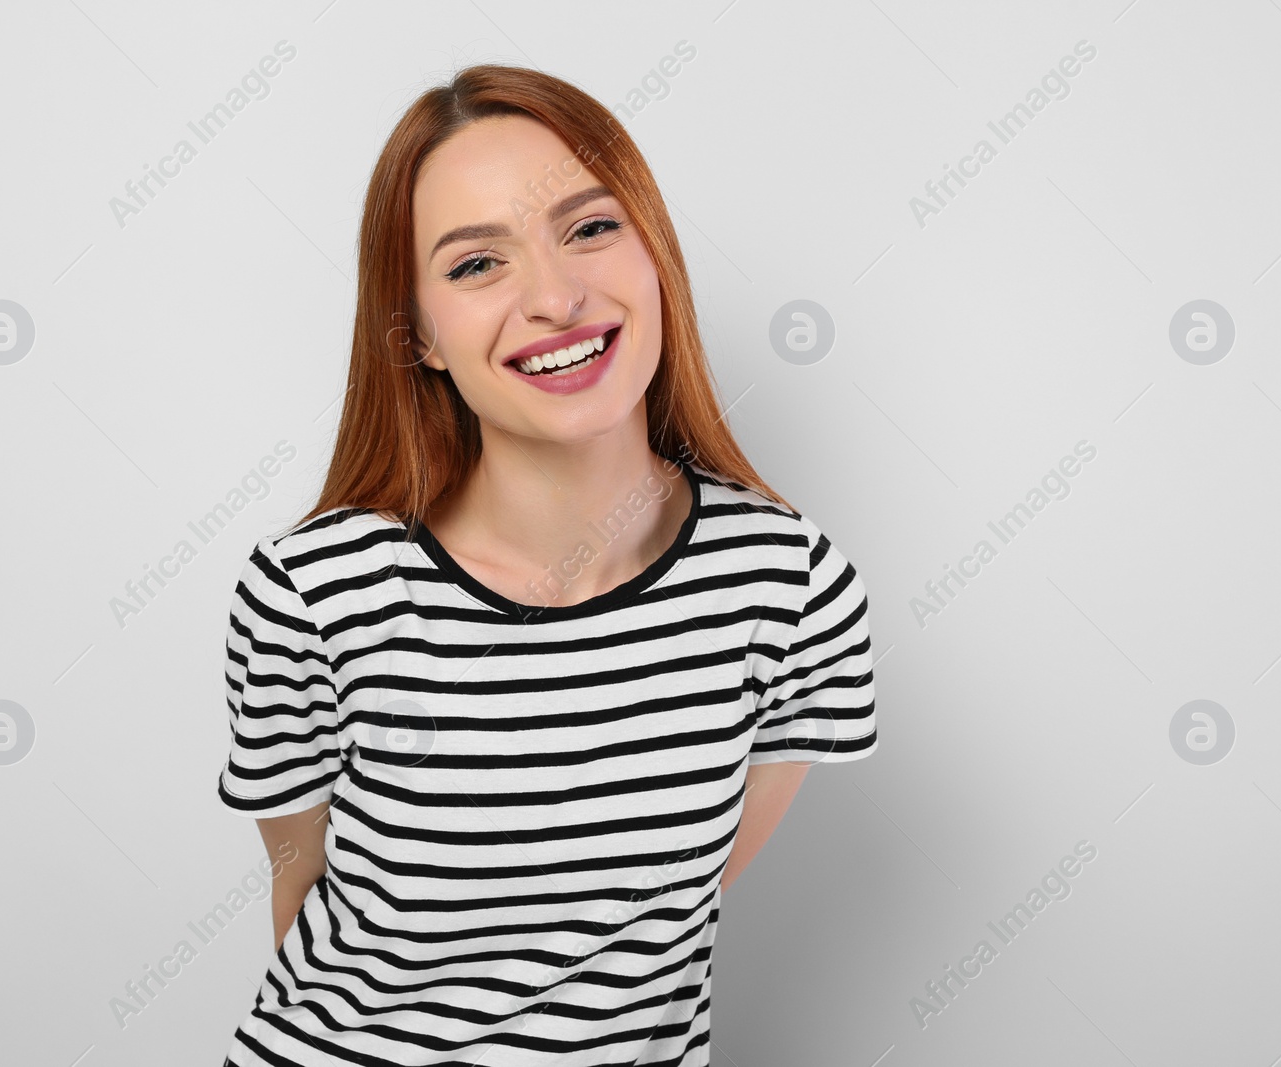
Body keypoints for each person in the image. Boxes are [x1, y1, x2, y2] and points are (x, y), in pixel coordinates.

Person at [215, 62, 878, 1066]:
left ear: (655, 252)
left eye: (590, 226)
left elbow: (650, 928)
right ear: (422, 337)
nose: (556, 297)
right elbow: (301, 891)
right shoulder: (314, 595)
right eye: (476, 265)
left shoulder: (787, 588)